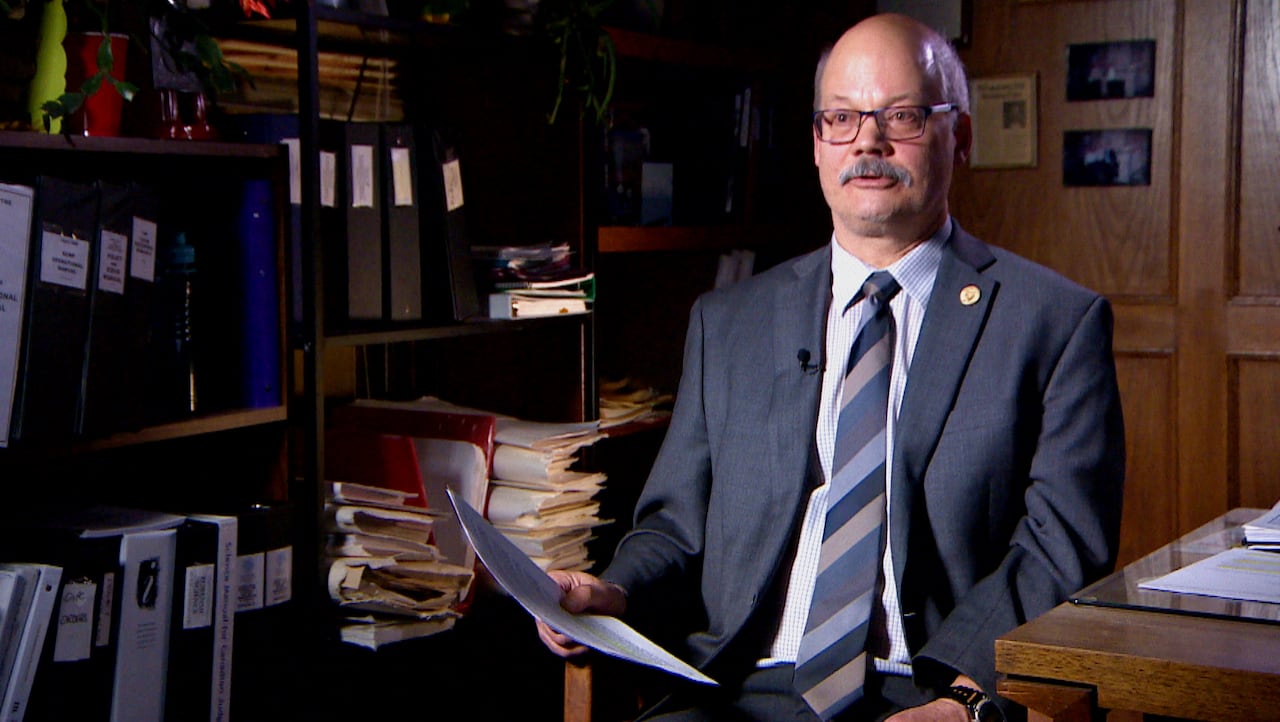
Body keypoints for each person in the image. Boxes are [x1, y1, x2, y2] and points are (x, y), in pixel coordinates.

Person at [537, 12, 1125, 722]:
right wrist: (613, 592)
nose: (867, 143)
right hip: (735, 690)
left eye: (901, 116)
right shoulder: (727, 324)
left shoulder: (1054, 323)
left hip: (927, 689)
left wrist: (967, 701)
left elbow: (1060, 548)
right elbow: (673, 527)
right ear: (817, 145)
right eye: (841, 118)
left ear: (960, 137)